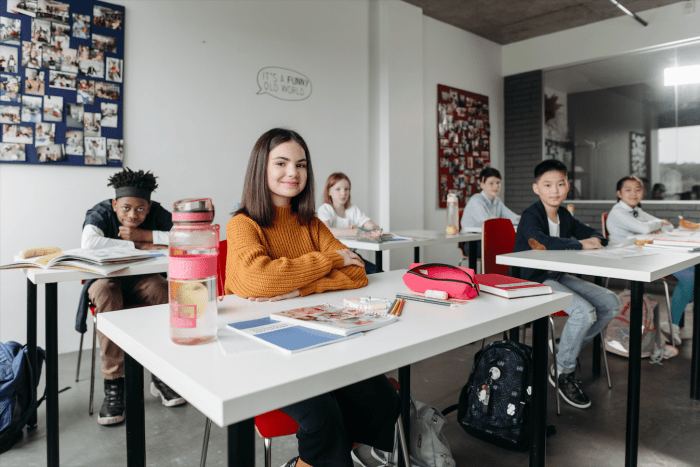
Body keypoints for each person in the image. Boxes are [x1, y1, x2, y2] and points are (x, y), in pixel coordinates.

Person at [225, 128, 399, 467]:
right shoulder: (242, 224)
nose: (293, 172)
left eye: (301, 164)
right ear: (261, 168)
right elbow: (260, 279)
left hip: (316, 336)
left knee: (380, 396)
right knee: (322, 413)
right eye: (282, 163)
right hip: (262, 346)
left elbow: (359, 272)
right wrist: (330, 260)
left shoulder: (311, 223)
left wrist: (303, 287)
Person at [76, 168, 186, 426]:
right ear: (115, 204)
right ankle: (114, 384)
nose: (132, 215)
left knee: (161, 289)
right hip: (106, 281)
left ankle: (161, 376)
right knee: (105, 292)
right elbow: (90, 243)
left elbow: (184, 237)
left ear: (149, 206)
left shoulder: (158, 213)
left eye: (140, 209)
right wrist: (145, 246)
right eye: (125, 208)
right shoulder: (100, 212)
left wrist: (144, 237)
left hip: (143, 281)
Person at [514, 159, 620, 409]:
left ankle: (564, 347)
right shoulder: (532, 215)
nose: (555, 190)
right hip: (531, 279)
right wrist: (580, 244)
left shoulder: (563, 215)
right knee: (584, 312)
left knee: (610, 302)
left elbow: (592, 232)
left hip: (555, 275)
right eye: (547, 184)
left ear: (568, 186)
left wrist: (595, 238)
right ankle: (563, 372)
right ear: (536, 188)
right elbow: (538, 241)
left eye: (560, 184)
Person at [606, 175, 689, 346]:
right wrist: (653, 227)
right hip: (627, 258)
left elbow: (669, 226)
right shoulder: (618, 212)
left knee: (692, 272)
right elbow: (646, 227)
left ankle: (673, 323)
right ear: (619, 193)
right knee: (689, 276)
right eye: (628, 190)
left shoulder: (637, 211)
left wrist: (655, 227)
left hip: (645, 254)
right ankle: (673, 323)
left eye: (638, 189)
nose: (634, 193)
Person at [317, 172, 380, 273]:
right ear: (329, 191)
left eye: (346, 189)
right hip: (335, 258)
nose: (343, 193)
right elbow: (327, 231)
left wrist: (370, 229)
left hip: (352, 255)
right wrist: (356, 232)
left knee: (379, 272)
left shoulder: (352, 209)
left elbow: (374, 228)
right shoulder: (325, 209)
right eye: (338, 189)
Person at [459, 166, 519, 257]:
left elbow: (512, 217)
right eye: (491, 183)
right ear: (482, 185)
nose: (496, 186)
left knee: (518, 247)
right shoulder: (476, 200)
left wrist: (525, 219)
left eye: (498, 183)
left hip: (490, 240)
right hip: (472, 243)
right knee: (510, 250)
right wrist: (506, 223)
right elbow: (489, 222)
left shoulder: (497, 201)